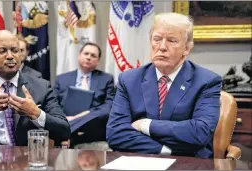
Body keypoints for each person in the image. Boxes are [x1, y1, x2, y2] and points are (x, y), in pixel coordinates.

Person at [106, 12, 222, 158]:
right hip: (140, 161)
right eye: (157, 39)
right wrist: (165, 150)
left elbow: (200, 133)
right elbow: (115, 134)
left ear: (186, 48)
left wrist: (145, 125)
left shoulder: (206, 81)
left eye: (172, 41)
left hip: (188, 164)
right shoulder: (129, 80)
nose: (162, 47)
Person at [54, 42, 115, 147]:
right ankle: (68, 129)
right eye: (86, 53)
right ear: (79, 55)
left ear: (98, 61)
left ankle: (68, 129)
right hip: (65, 119)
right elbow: (53, 103)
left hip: (92, 127)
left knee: (102, 113)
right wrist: (63, 117)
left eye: (93, 55)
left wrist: (83, 115)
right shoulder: (62, 79)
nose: (88, 57)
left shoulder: (106, 79)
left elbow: (108, 107)